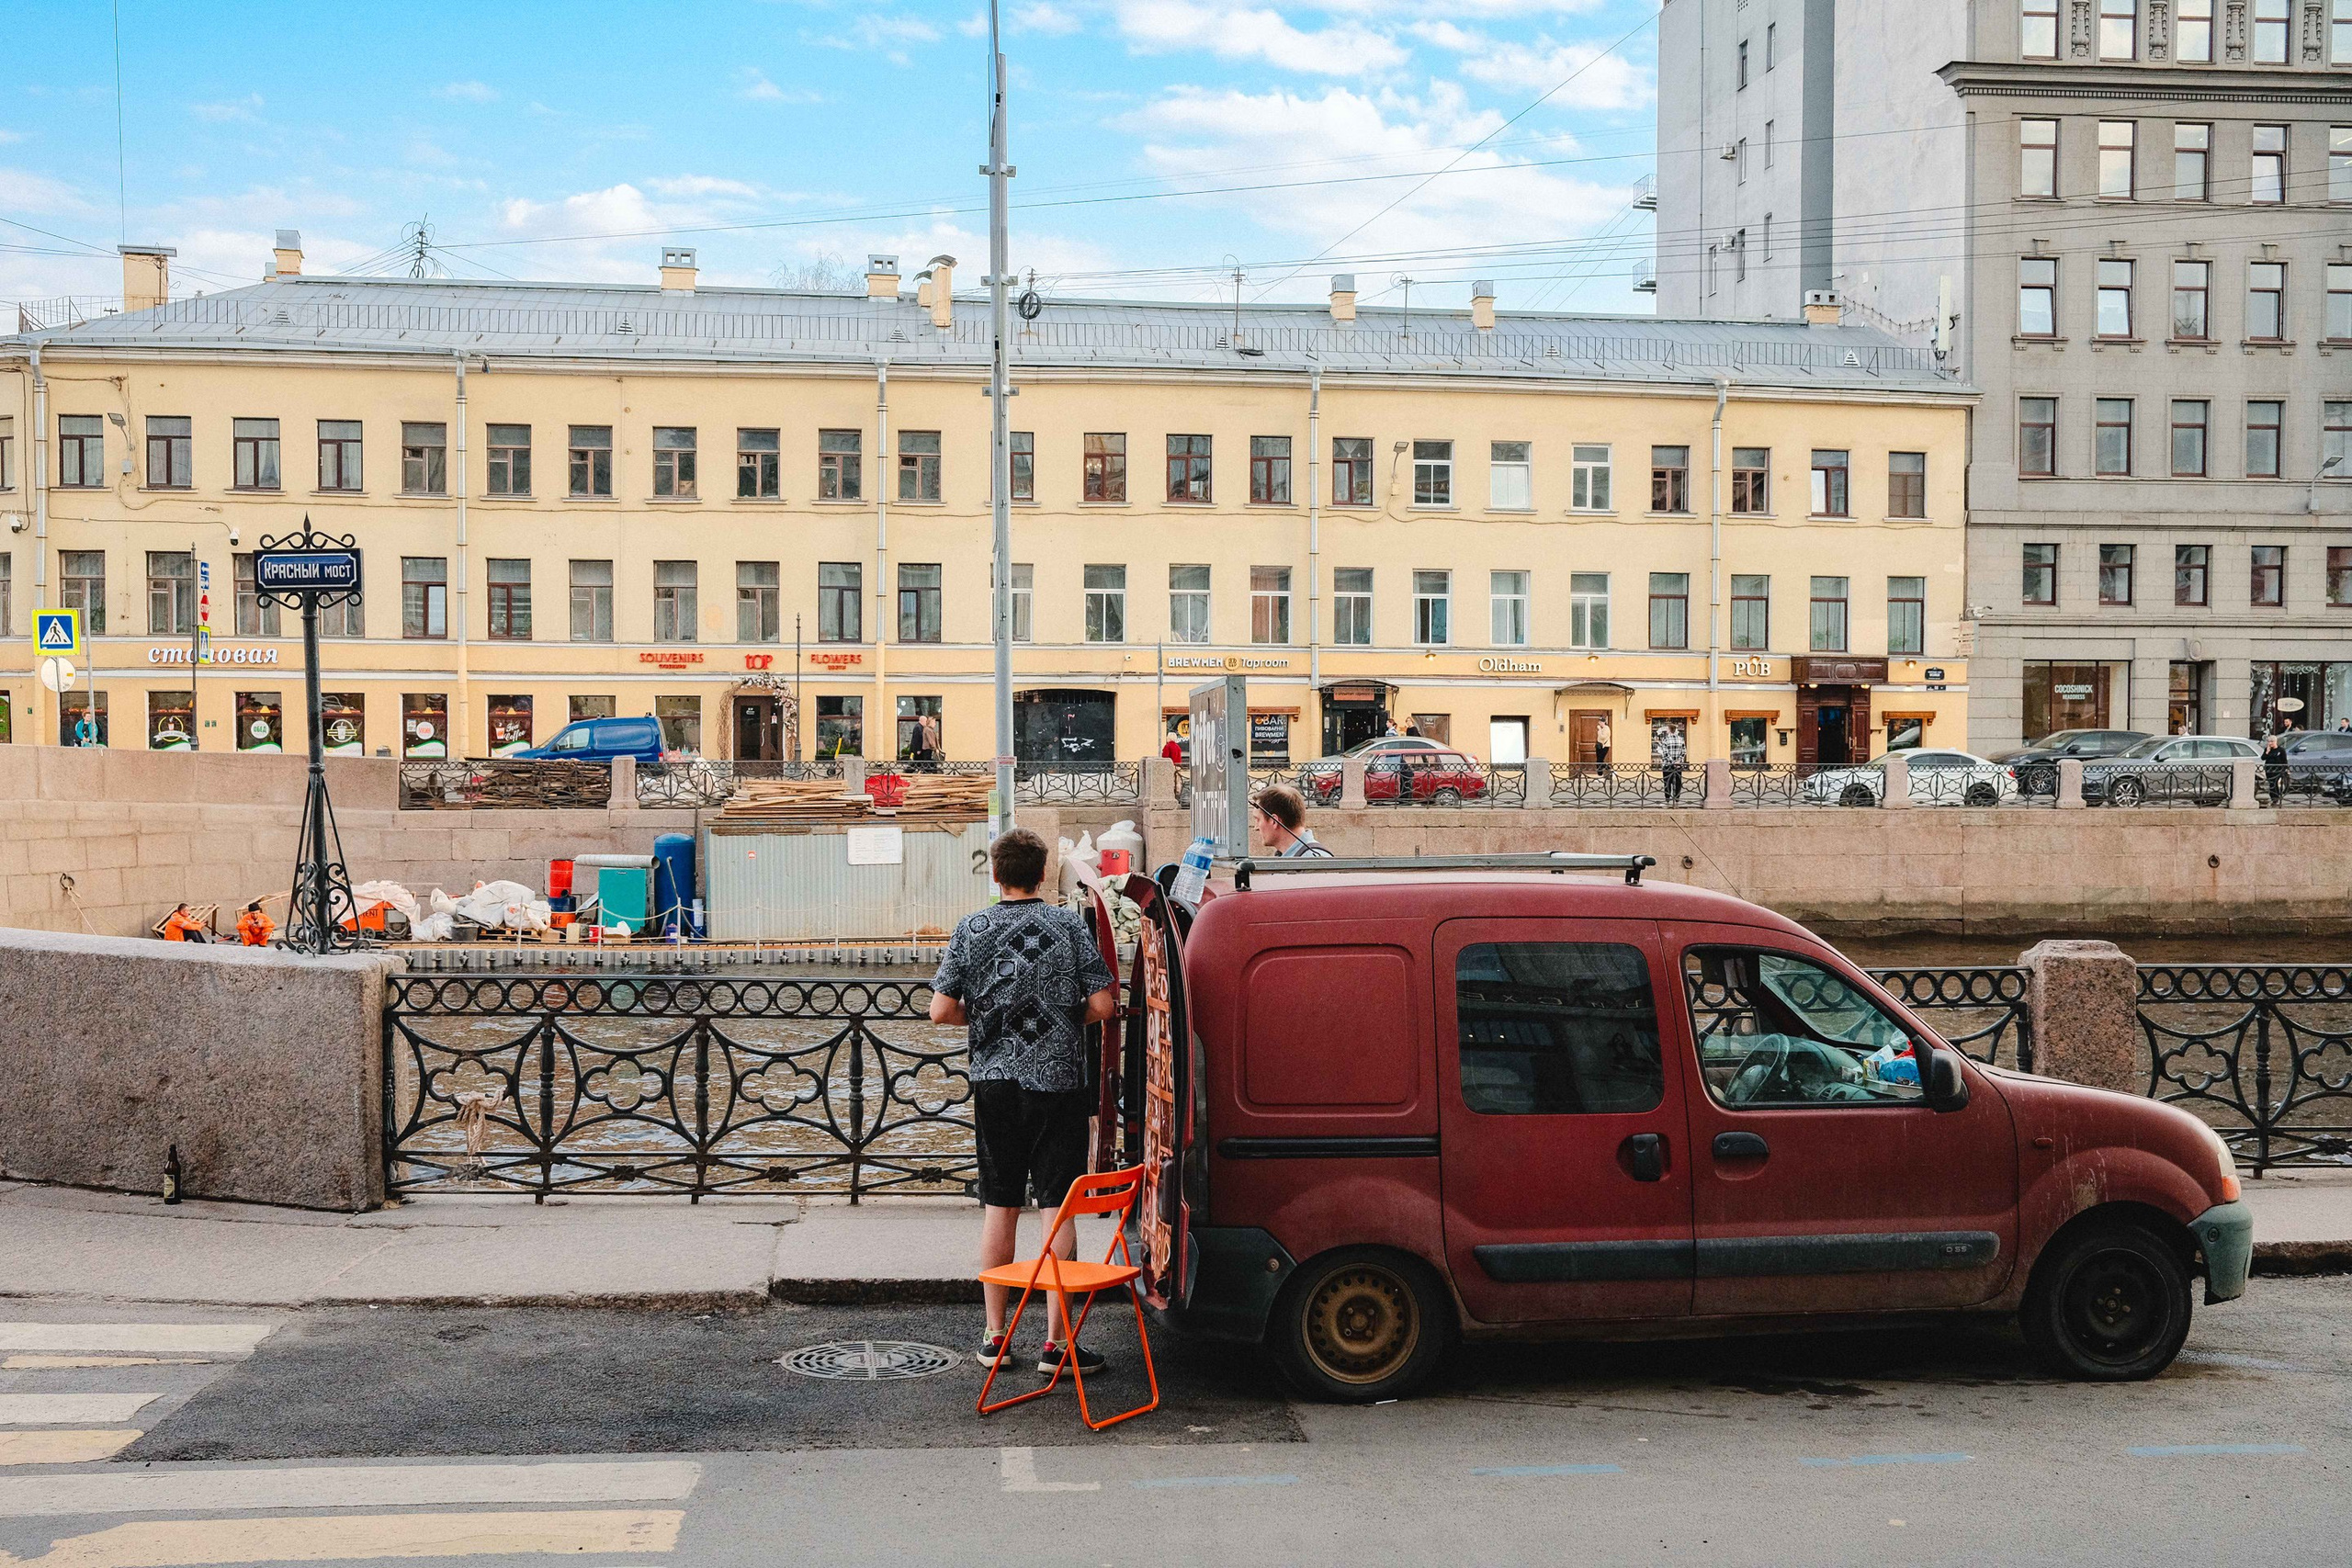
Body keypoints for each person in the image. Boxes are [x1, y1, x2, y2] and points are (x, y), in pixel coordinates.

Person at [931, 829, 1118, 1380]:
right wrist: (1063, 1024)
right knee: (1057, 1207)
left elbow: (940, 1012)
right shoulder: (1067, 925)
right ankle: (1056, 1345)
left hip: (995, 1081)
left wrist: (987, 1024)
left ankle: (995, 1337)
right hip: (1058, 1082)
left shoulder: (974, 927)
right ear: (1043, 875)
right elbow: (1104, 1005)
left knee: (1000, 1202)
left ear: (995, 875)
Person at [1255, 783, 1333, 858]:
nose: (1256, 827)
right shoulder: (1295, 856)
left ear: (1274, 821)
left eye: (1258, 819)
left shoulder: (1312, 862)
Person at [1655, 721, 1688, 804]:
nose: (1666, 731)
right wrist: (1678, 761)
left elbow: (1665, 753)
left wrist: (1672, 762)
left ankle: (1667, 800)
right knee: (1678, 782)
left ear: (1669, 730)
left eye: (1667, 729)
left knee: (1667, 782)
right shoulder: (1681, 739)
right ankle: (1677, 800)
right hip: (1678, 765)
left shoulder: (1665, 739)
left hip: (1668, 765)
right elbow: (1684, 752)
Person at [2262, 731, 2290, 805]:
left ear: (2275, 742)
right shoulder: (2267, 750)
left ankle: (2276, 798)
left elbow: (2284, 760)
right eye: (2269, 742)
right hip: (2269, 770)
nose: (2270, 743)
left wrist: (2286, 769)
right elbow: (2263, 758)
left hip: (2278, 770)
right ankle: (2273, 798)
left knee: (2276, 783)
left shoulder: (2281, 750)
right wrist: (2267, 752)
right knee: (2271, 784)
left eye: (2272, 742)